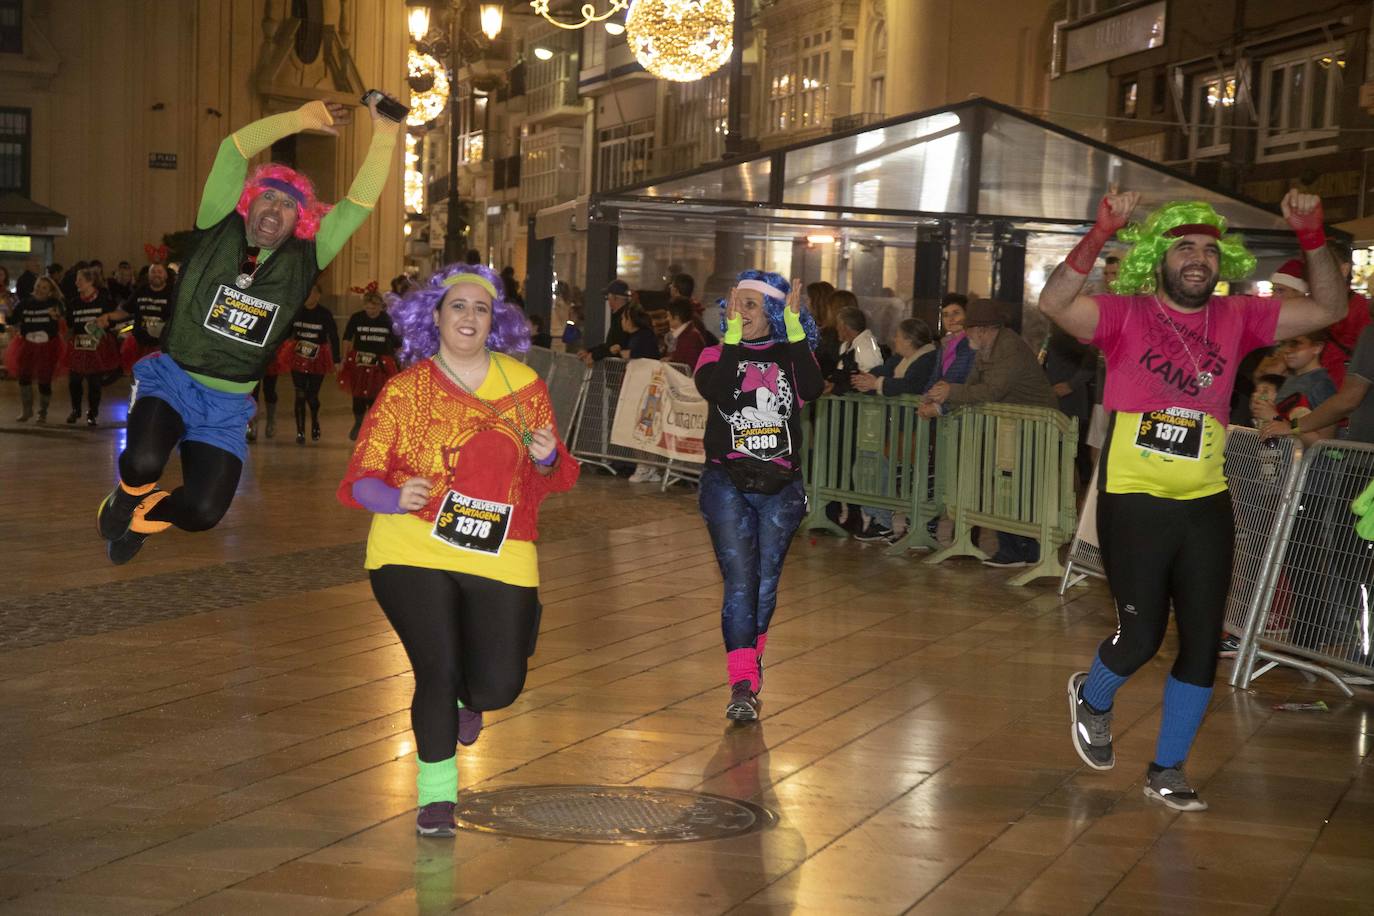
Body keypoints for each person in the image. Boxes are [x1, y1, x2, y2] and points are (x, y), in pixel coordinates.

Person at [1039, 189, 1343, 811]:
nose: (1198, 258)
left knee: (1204, 640)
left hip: (1206, 497)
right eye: (1184, 247)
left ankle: (1168, 768)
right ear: (1161, 257)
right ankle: (1093, 696)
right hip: (1135, 497)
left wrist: (1311, 236)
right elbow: (1053, 303)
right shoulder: (1125, 314)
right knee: (1142, 636)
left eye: (1208, 248)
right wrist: (1100, 234)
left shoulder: (1237, 318)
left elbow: (1327, 308)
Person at [95, 95, 399, 565]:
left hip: (227, 405)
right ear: (249, 203)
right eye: (269, 197)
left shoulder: (308, 258)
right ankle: (127, 493)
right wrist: (299, 119)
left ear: (303, 222)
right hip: (173, 379)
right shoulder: (218, 220)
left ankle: (145, 515)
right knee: (142, 462)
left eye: (290, 205)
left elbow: (359, 203)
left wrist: (385, 133)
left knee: (202, 512)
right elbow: (234, 150)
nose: (276, 208)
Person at [336, 262, 579, 837]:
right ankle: (437, 797)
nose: (469, 316)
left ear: (495, 322)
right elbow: (362, 476)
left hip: (502, 546)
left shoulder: (524, 386)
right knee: (435, 671)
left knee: (499, 685)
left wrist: (544, 455)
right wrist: (394, 497)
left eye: (481, 308)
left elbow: (553, 474)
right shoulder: (405, 391)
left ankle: (473, 695)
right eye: (458, 306)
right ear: (435, 317)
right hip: (410, 548)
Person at [694, 271, 822, 721]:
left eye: (751, 306)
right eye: (735, 304)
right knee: (741, 582)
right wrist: (732, 338)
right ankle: (742, 683)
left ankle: (750, 658)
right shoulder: (714, 353)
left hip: (781, 487)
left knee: (766, 582)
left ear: (771, 312)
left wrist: (791, 332)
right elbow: (720, 392)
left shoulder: (792, 356)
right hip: (725, 482)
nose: (740, 313)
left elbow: (811, 389)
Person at [920, 299, 1059, 566]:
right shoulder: (986, 348)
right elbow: (973, 384)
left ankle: (1020, 549)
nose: (966, 334)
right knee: (1009, 485)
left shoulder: (1009, 348)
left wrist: (950, 392)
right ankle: (1019, 550)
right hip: (1015, 428)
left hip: (1036, 428)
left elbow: (991, 391)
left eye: (969, 328)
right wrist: (940, 401)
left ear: (982, 329)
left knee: (1018, 488)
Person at [850, 317, 938, 543]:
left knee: (913, 476)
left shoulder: (928, 358)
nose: (894, 340)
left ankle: (916, 525)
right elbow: (882, 373)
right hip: (898, 427)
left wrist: (877, 384)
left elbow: (912, 385)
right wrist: (865, 381)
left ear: (909, 340)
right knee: (878, 468)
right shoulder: (900, 357)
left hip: (919, 427)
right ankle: (882, 520)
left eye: (898, 336)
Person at [284, 279, 340, 444]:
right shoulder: (297, 311)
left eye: (313, 292)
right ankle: (300, 431)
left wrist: (336, 359)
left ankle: (315, 420)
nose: (310, 296)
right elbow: (286, 332)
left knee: (312, 395)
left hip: (318, 357)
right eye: (307, 293)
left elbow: (334, 336)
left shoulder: (324, 314)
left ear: (319, 295)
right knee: (299, 393)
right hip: (298, 355)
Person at [340, 285, 399, 441]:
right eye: (367, 308)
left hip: (381, 364)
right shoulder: (356, 318)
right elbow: (347, 338)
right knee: (357, 395)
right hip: (360, 362)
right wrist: (344, 357)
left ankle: (373, 426)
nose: (370, 311)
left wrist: (400, 361)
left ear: (380, 306)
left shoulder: (388, 320)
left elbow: (397, 343)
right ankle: (358, 423)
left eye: (374, 308)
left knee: (376, 396)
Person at [65, 267, 121, 426]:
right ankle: (76, 410)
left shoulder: (104, 300)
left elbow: (113, 320)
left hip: (97, 346)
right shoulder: (74, 302)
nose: (77, 283)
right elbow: (71, 324)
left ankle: (92, 412)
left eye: (80, 279)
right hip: (78, 345)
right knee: (74, 380)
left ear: (90, 282)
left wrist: (103, 326)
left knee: (94, 382)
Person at [5, 275, 64, 422]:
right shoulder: (25, 303)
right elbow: (12, 320)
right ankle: (27, 410)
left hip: (47, 346)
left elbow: (62, 316)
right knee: (24, 377)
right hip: (27, 345)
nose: (40, 290)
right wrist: (8, 307)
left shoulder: (54, 303)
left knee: (45, 380)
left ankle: (42, 412)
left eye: (44, 288)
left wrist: (57, 314)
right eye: (38, 286)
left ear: (50, 291)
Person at [120, 260, 175, 375]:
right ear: (148, 275)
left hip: (160, 345)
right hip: (139, 343)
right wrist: (106, 317)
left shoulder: (173, 292)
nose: (156, 274)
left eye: (159, 272)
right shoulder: (141, 290)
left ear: (165, 275)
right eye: (153, 272)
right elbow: (125, 310)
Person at [664, 298, 706, 367]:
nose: (667, 319)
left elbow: (690, 370)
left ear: (677, 318)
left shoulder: (692, 339)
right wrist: (670, 360)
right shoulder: (677, 332)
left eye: (668, 316)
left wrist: (671, 362)